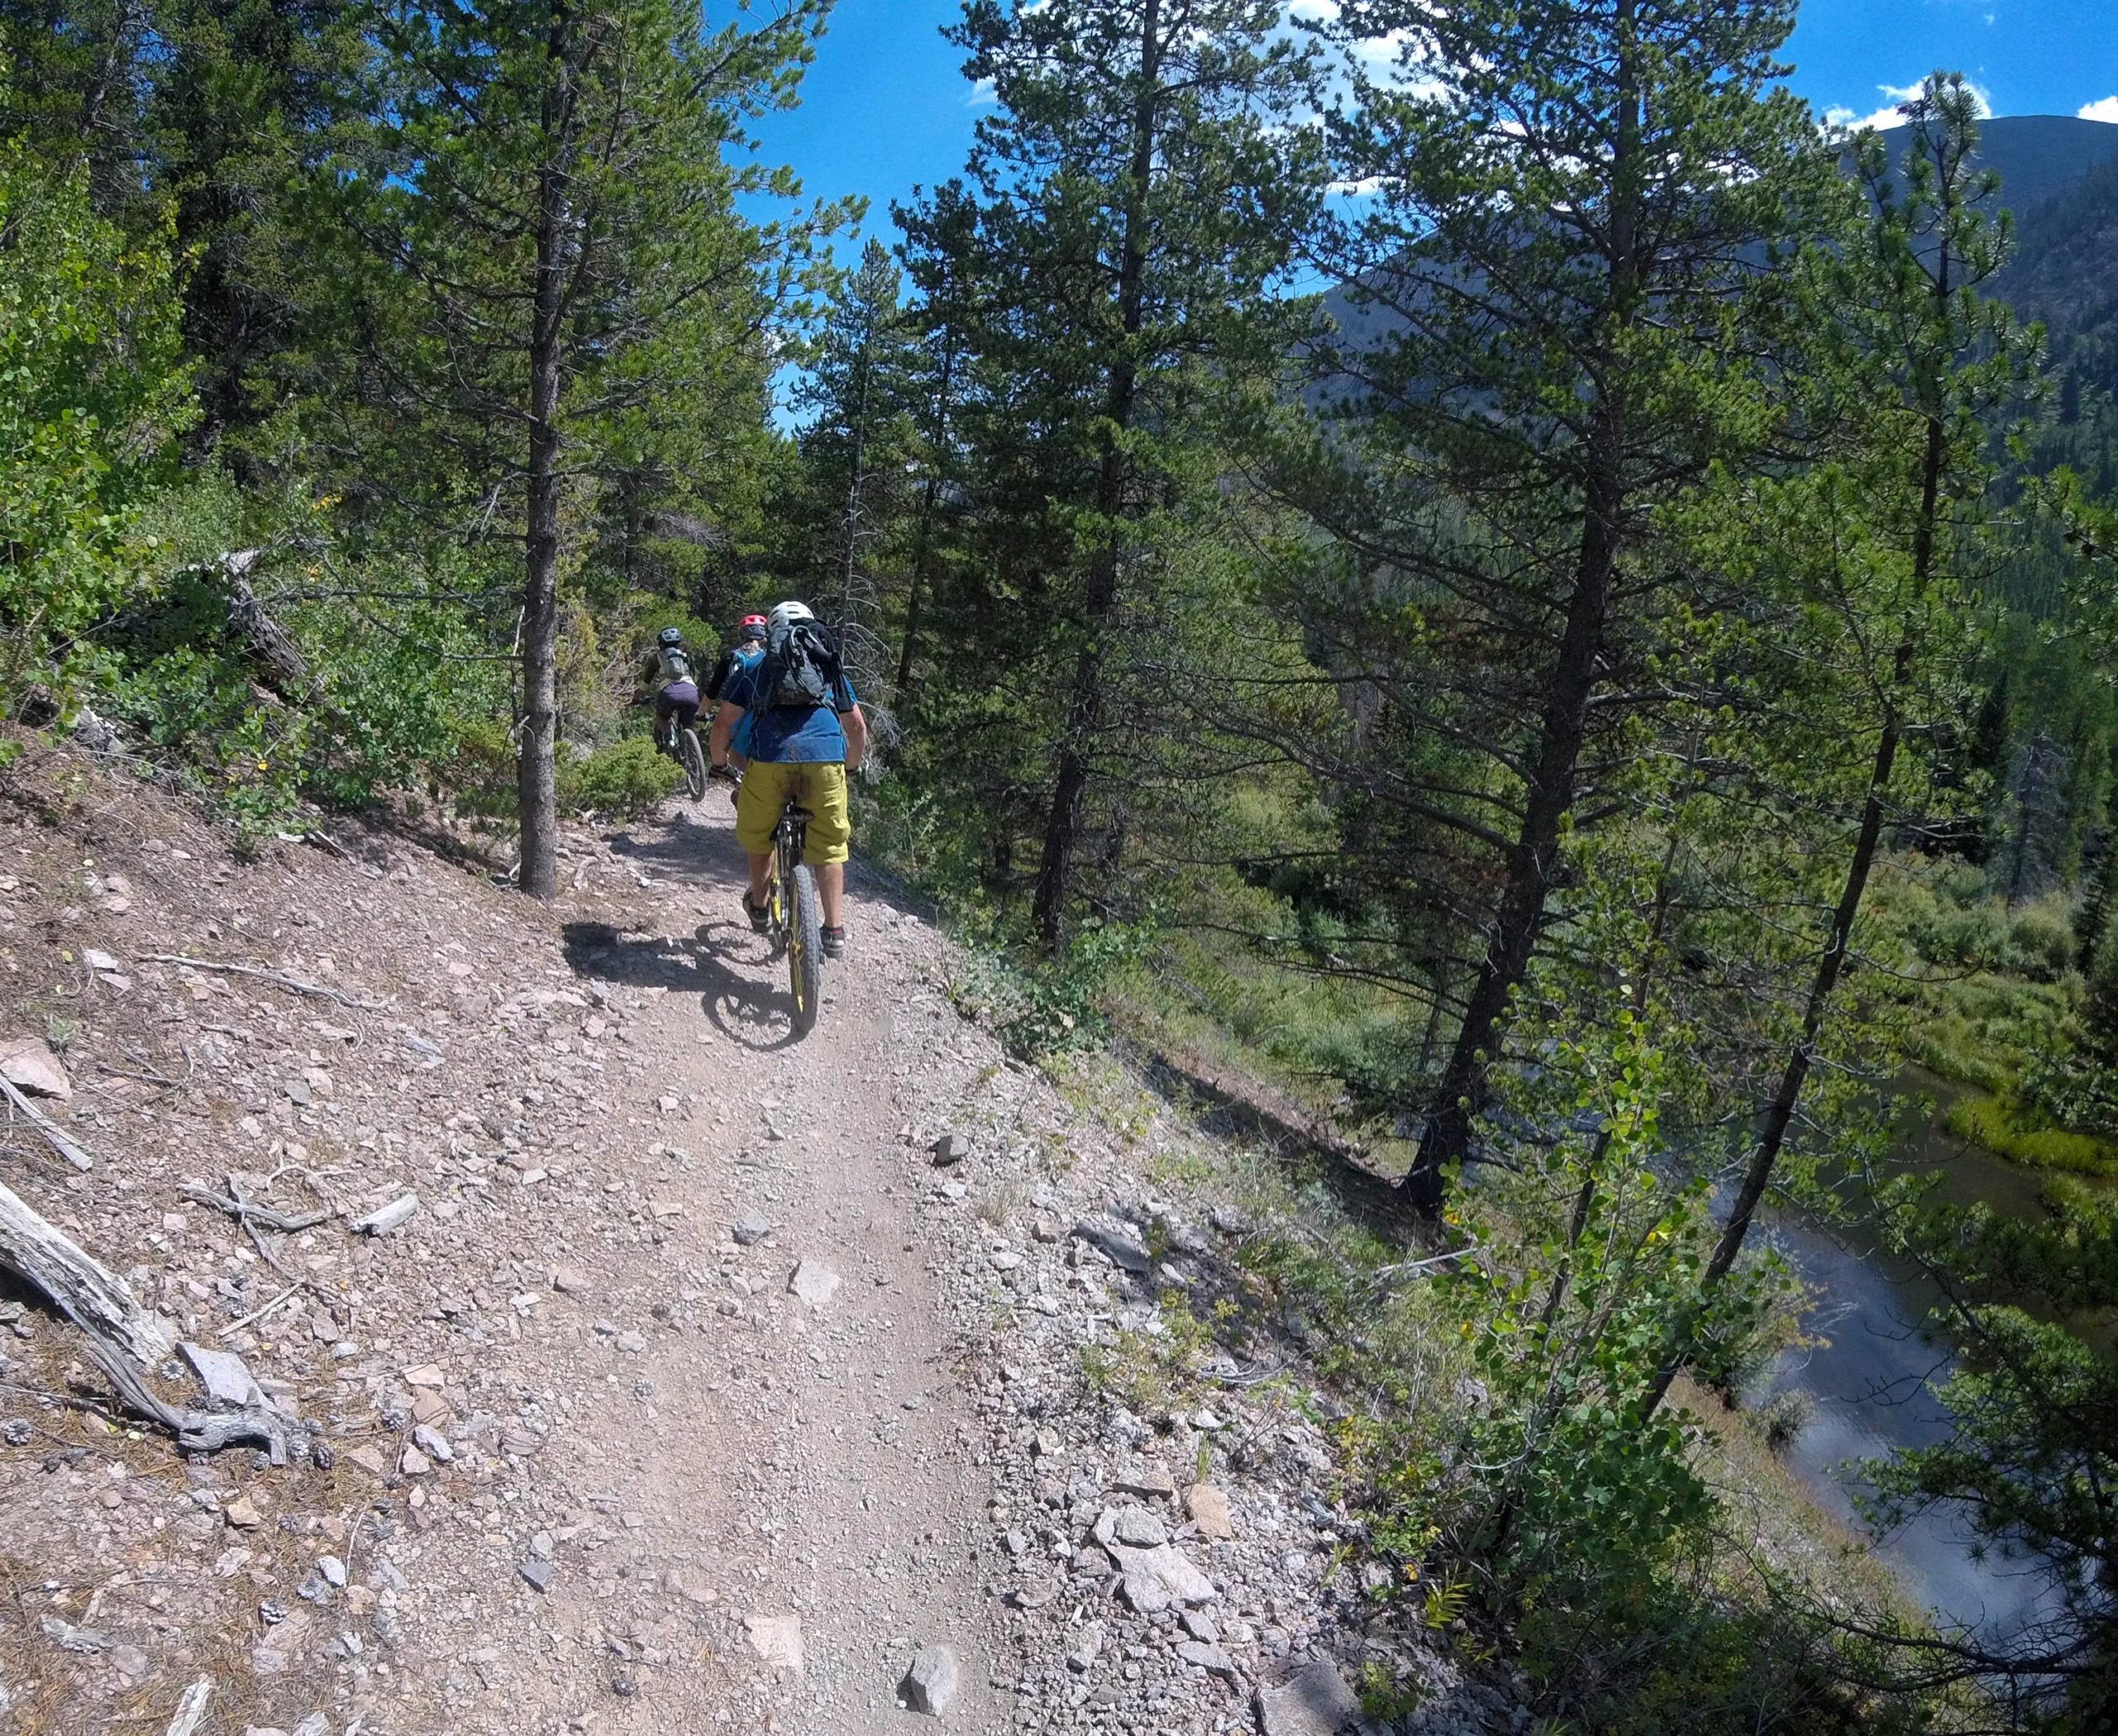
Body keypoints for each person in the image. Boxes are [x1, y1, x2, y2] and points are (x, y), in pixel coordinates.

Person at [708, 600, 866, 958]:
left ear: (771, 633)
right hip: (825, 761)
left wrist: (720, 764)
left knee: (759, 834)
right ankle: (834, 930)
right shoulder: (828, 666)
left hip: (769, 761)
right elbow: (856, 726)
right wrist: (850, 766)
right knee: (829, 846)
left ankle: (761, 908)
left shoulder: (753, 666)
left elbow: (723, 725)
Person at [706, 615, 769, 775]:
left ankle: (744, 791)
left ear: (742, 635)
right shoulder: (770, 658)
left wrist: (700, 713)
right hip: (766, 715)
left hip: (737, 715)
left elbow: (713, 690)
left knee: (737, 760)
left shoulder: (731, 657)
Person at [640, 626, 701, 752]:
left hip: (669, 693)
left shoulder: (657, 658)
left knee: (662, 716)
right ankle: (692, 751)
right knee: (688, 725)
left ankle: (670, 739)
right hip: (691, 692)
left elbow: (645, 683)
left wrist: (636, 698)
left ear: (660, 643)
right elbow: (694, 675)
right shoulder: (686, 656)